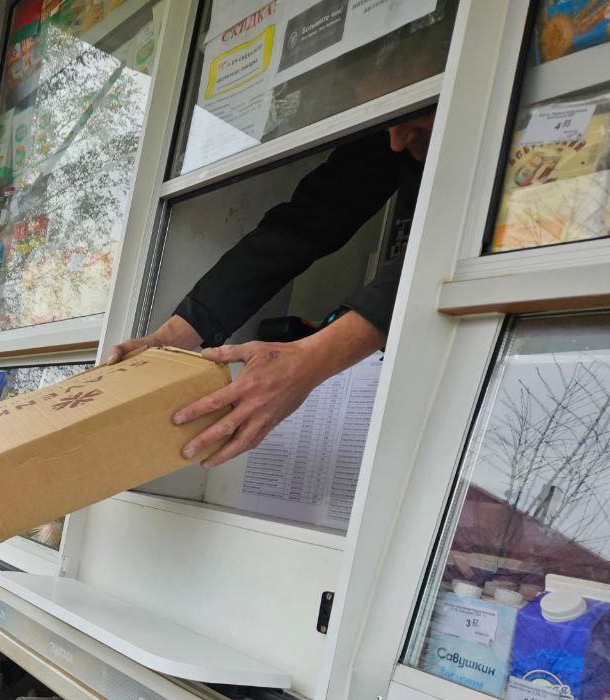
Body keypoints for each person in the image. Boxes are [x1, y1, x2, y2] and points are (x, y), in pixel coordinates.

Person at [109, 111, 435, 467]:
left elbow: (445, 250)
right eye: (388, 122)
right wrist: (174, 336)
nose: (396, 141)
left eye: (416, 116)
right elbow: (304, 223)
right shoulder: (395, 137)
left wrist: (310, 360)